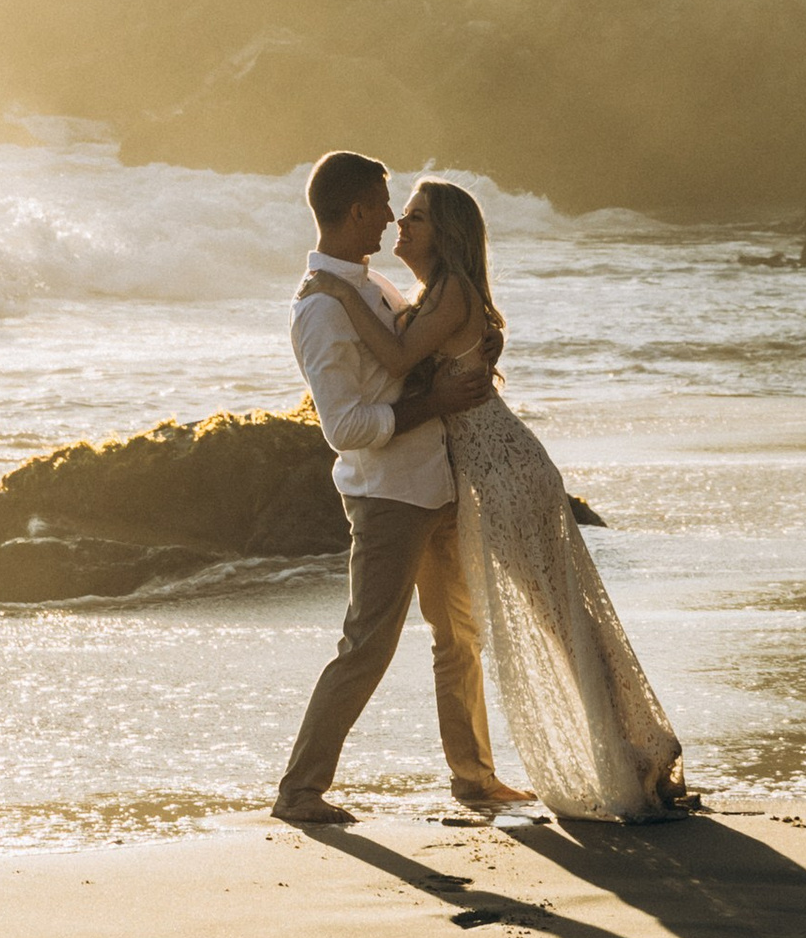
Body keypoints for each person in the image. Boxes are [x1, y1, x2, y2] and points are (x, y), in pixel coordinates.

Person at [326, 173, 696, 821]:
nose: (401, 226)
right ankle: (637, 746)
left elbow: (393, 354)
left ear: (446, 236)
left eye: (415, 218)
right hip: (488, 473)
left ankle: (635, 751)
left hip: (504, 471)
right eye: (401, 214)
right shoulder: (433, 292)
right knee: (559, 617)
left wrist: (334, 288)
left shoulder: (450, 295)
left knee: (560, 619)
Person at [271, 149, 537, 828]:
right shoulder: (320, 310)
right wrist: (438, 399)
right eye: (384, 205)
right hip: (387, 495)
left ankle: (474, 778)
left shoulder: (371, 286)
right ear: (357, 210)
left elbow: (411, 363)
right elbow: (346, 427)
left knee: (459, 635)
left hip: (435, 485)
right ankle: (299, 791)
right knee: (369, 642)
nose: (392, 218)